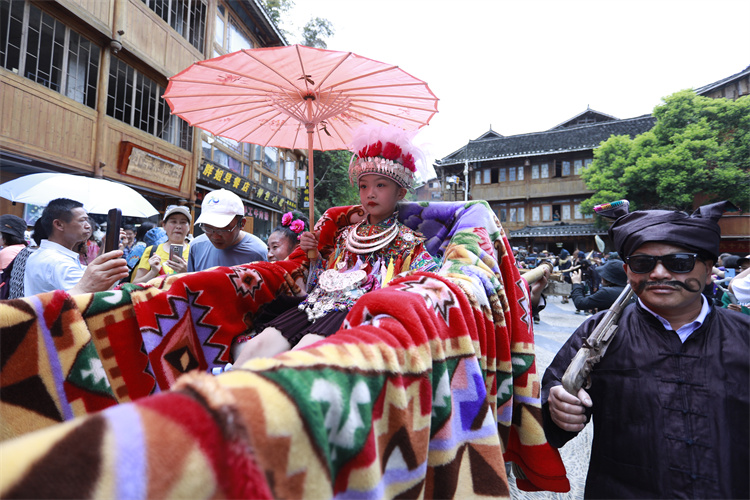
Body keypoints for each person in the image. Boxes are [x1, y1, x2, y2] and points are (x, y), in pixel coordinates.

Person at [542, 200, 749, 499]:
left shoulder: (744, 335)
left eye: (679, 262)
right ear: (628, 271)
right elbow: (552, 404)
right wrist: (557, 409)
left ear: (708, 269)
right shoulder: (597, 335)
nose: (659, 273)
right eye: (643, 263)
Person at [233, 125, 439, 365]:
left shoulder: (408, 243)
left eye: (380, 185)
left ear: (400, 193)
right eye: (364, 186)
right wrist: (313, 257)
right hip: (314, 305)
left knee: (300, 357)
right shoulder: (345, 236)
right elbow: (322, 279)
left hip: (353, 314)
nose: (370, 193)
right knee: (254, 349)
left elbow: (427, 283)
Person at [24, 198, 129, 296]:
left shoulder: (45, 254)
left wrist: (106, 246)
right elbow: (94, 296)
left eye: (87, 220)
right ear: (59, 224)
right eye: (82, 220)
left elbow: (87, 275)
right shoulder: (60, 262)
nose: (88, 226)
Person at [188, 189, 267, 272]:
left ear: (242, 224)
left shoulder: (259, 253)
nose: (215, 236)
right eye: (208, 228)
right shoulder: (196, 246)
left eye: (223, 229)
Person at [132, 205, 190, 283]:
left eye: (183, 222)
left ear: (189, 227)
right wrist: (153, 272)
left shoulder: (195, 252)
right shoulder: (152, 251)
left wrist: (187, 272)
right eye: (173, 222)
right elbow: (135, 284)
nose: (178, 226)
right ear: (164, 225)